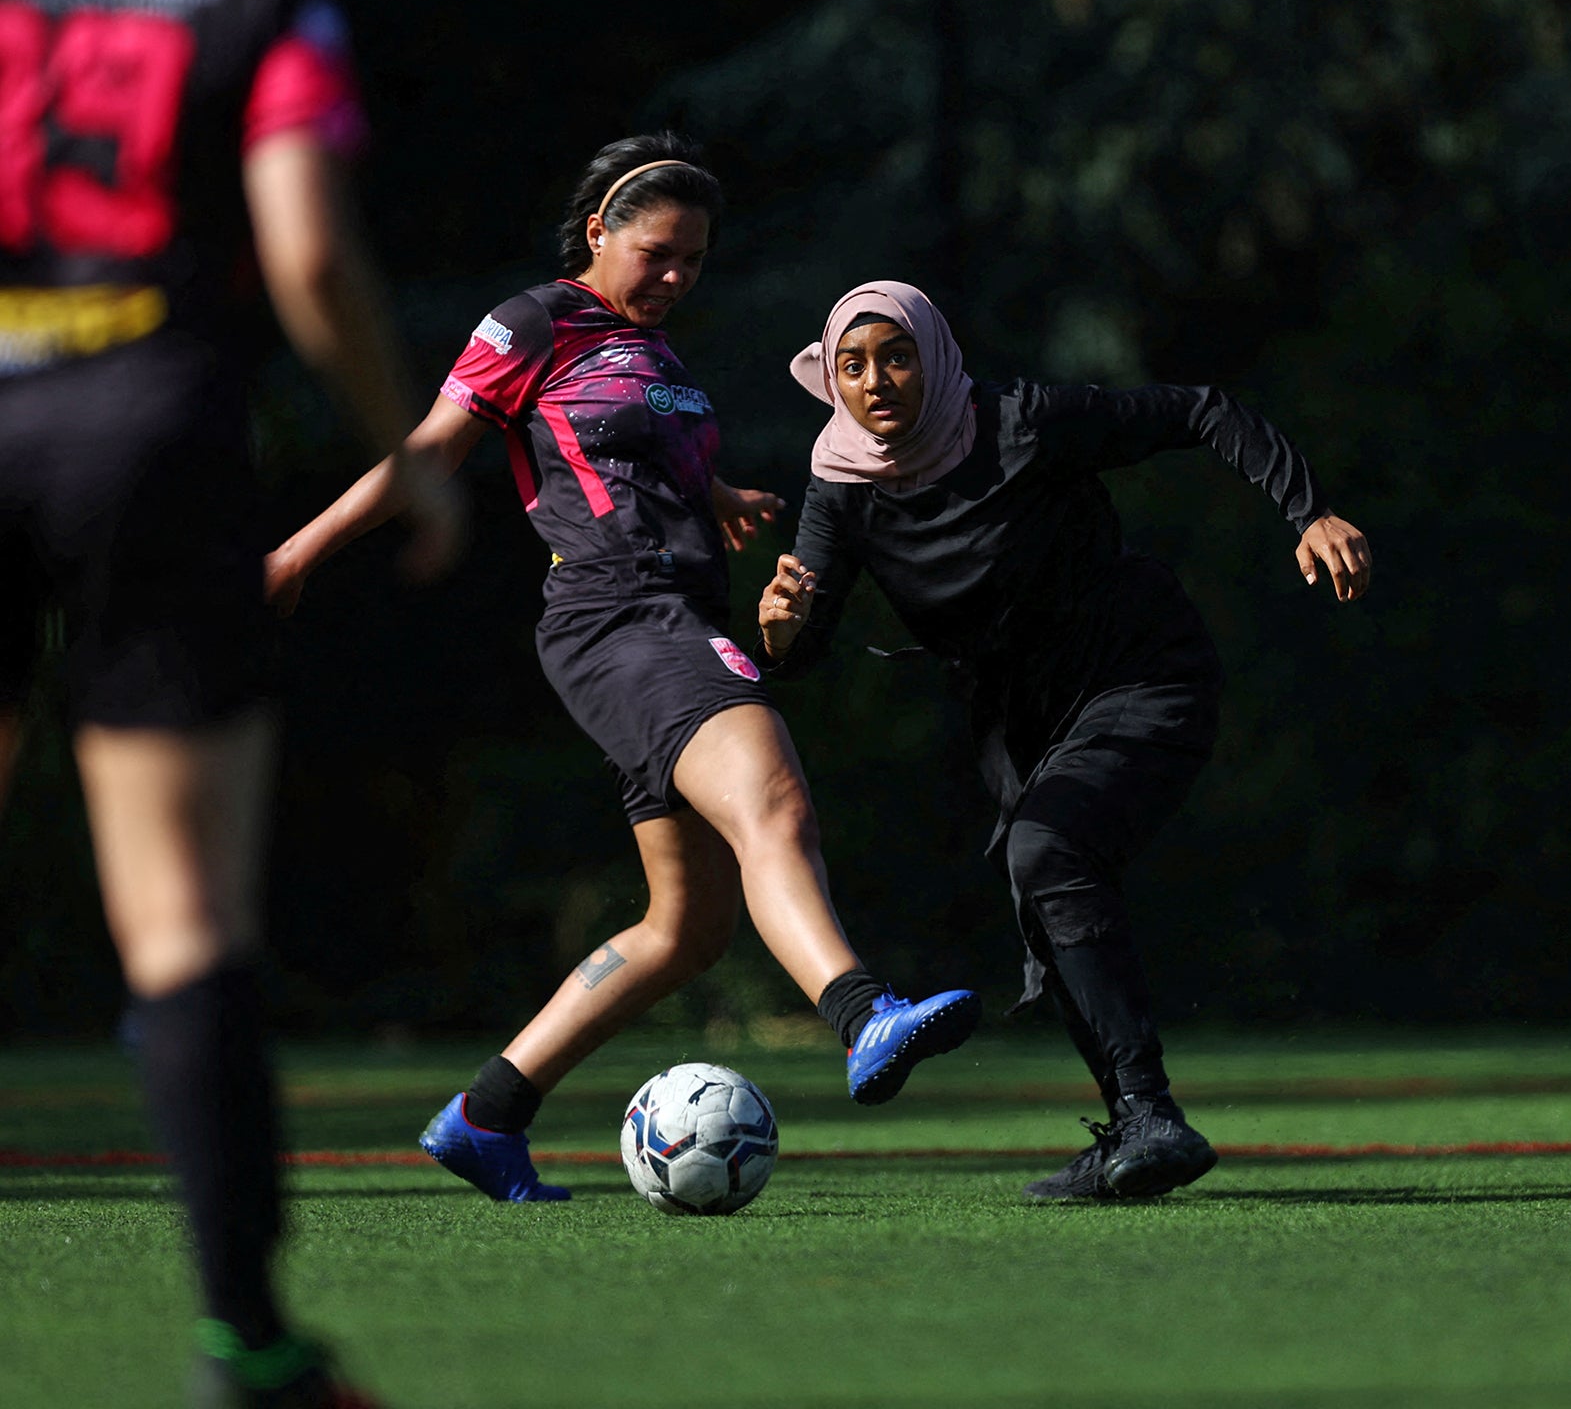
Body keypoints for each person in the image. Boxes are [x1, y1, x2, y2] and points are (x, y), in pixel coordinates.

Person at [266, 136, 980, 1205]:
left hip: (667, 617)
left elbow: (629, 451)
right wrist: (293, 554)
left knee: (684, 927)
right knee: (773, 797)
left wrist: (722, 495)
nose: (677, 277)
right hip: (619, 616)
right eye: (658, 252)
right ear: (597, 229)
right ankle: (862, 1011)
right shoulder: (533, 322)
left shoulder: (653, 352)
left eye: (694, 259)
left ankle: (484, 1116)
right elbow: (430, 448)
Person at [0, 0, 458, 1404]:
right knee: (184, 924)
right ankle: (250, 1347)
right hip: (151, 443)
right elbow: (309, 254)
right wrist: (403, 451)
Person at [757, 281, 1370, 1201]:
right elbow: (803, 647)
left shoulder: (1022, 422)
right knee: (1041, 880)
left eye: (896, 355)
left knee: (1048, 851)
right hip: (1026, 724)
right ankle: (1136, 1127)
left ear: (935, 352)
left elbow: (1202, 410)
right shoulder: (841, 487)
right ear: (830, 380)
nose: (876, 380)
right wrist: (778, 629)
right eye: (852, 365)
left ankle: (1148, 1112)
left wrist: (1308, 508)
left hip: (1142, 676)